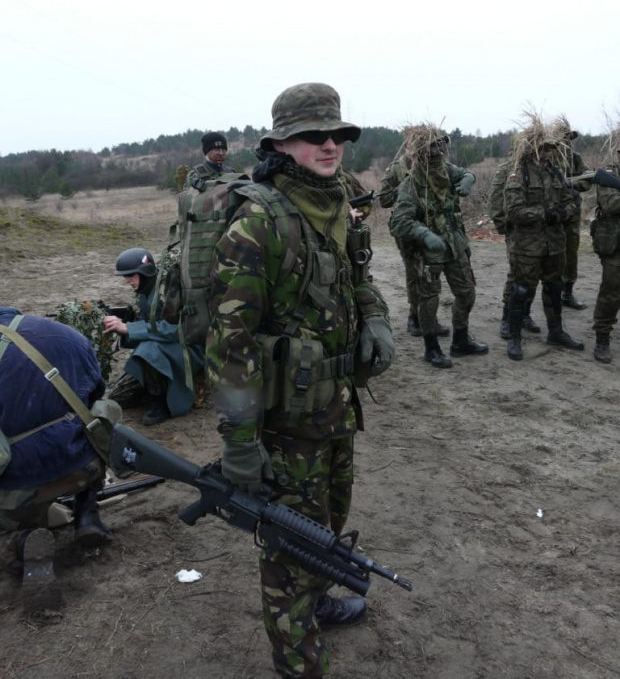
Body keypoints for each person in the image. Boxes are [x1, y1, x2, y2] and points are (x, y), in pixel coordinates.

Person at [206, 82, 394, 679]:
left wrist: (379, 320)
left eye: (337, 134)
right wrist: (239, 442)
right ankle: (299, 664)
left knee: (329, 527)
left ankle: (316, 606)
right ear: (284, 144)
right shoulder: (258, 220)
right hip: (285, 423)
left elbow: (358, 277)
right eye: (315, 136)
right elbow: (229, 343)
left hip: (334, 408)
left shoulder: (340, 201)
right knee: (291, 550)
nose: (329, 144)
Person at [0, 308, 118, 612]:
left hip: (16, 494)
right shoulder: (64, 335)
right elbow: (96, 394)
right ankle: (87, 511)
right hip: (82, 466)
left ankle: (26, 536)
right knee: (101, 413)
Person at [389, 124, 488, 369]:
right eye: (433, 146)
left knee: (467, 293)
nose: (439, 149)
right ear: (422, 151)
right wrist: (423, 234)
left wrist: (467, 181)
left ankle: (461, 340)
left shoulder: (446, 170)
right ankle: (431, 348)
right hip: (428, 254)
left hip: (455, 245)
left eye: (441, 144)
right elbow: (399, 223)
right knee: (429, 300)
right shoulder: (411, 185)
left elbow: (466, 173)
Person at [503, 116, 583, 360]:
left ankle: (556, 331)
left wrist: (561, 212)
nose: (549, 153)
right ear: (533, 149)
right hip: (528, 247)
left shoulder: (556, 173)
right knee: (521, 290)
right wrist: (543, 213)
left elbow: (571, 202)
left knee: (554, 288)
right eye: (545, 149)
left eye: (551, 149)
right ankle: (515, 338)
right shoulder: (519, 175)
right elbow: (514, 212)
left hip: (554, 245)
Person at [105, 248, 204, 426]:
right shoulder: (145, 292)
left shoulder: (167, 289)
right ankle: (153, 387)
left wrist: (129, 328)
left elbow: (176, 330)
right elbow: (146, 326)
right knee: (117, 396)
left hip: (189, 349)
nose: (127, 281)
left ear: (144, 272)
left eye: (131, 275)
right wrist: (123, 326)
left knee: (148, 349)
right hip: (167, 349)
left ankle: (161, 402)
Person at [380, 135, 450, 338]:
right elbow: (384, 200)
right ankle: (414, 316)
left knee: (431, 272)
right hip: (407, 228)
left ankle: (429, 317)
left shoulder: (435, 165)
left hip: (431, 226)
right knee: (414, 272)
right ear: (409, 146)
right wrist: (404, 191)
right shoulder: (397, 168)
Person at [488, 158, 541, 338]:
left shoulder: (544, 167)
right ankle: (507, 317)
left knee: (533, 275)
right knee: (516, 273)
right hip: (516, 230)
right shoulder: (507, 168)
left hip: (539, 232)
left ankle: (524, 314)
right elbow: (495, 200)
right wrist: (504, 226)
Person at [553, 116, 592, 310]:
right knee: (549, 256)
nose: (565, 142)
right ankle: (551, 294)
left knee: (571, 253)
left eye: (568, 138)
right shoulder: (546, 158)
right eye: (562, 137)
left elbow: (587, 179)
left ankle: (567, 293)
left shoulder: (575, 158)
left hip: (572, 214)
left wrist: (571, 185)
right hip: (551, 214)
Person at [591, 129, 620, 363]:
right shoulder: (609, 174)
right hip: (615, 243)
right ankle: (602, 337)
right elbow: (611, 204)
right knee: (611, 292)